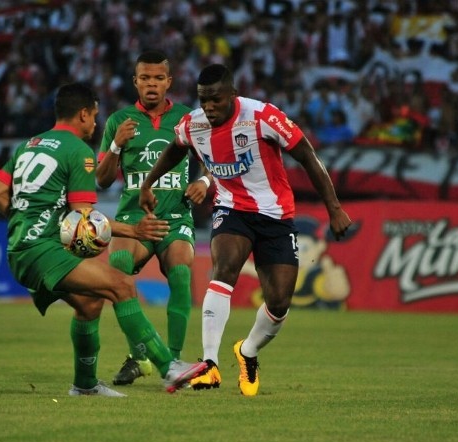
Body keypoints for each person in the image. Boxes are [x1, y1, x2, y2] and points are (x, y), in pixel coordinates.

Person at [139, 64, 352, 396]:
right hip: (231, 209)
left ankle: (248, 351)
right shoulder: (193, 124)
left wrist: (334, 208)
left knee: (279, 303)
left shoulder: (262, 116)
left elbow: (307, 156)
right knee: (223, 270)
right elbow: (175, 148)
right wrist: (148, 183)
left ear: (233, 95)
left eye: (216, 99)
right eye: (203, 100)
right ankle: (209, 364)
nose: (209, 107)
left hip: (275, 215)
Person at [0, 82, 207, 397]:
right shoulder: (78, 151)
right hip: (43, 251)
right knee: (122, 285)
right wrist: (134, 231)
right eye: (93, 116)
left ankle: (85, 384)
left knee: (90, 304)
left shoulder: (29, 145)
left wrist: (29, 222)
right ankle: (168, 367)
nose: (95, 124)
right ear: (82, 114)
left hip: (20, 247)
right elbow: (85, 218)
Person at [96, 50, 211, 386]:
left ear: (168, 82)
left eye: (158, 78)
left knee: (180, 273)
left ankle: (172, 360)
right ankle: (141, 356)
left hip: (176, 216)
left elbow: (216, 161)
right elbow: (102, 180)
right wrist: (115, 146)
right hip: (134, 217)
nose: (151, 84)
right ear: (135, 81)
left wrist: (204, 182)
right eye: (145, 78)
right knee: (117, 270)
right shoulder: (119, 121)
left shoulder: (189, 118)